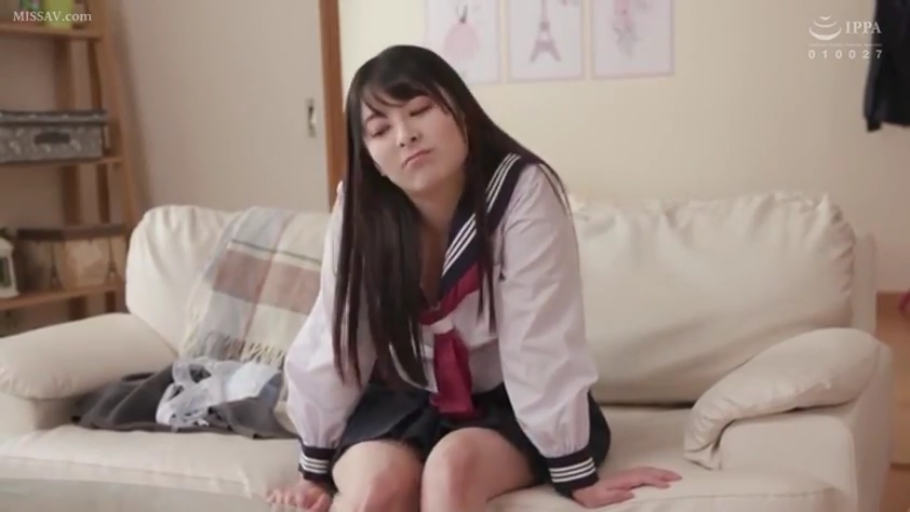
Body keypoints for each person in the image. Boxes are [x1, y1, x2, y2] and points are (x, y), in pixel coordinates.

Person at [266, 45, 681, 512]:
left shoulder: (523, 192)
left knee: (450, 472)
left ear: (461, 110)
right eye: (380, 130)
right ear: (371, 158)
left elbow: (540, 338)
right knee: (377, 490)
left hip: (504, 402)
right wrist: (313, 471)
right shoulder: (360, 211)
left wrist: (575, 471)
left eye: (420, 110)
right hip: (402, 395)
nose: (405, 135)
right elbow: (338, 335)